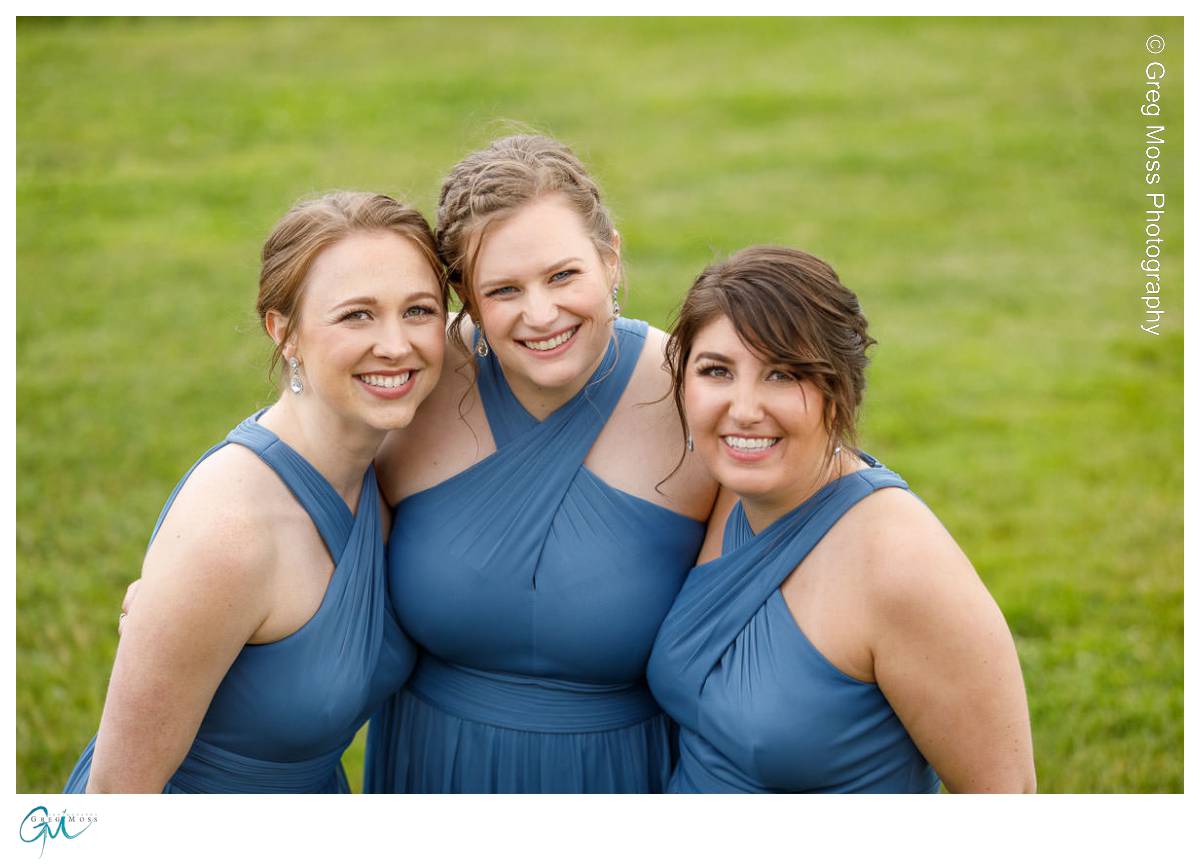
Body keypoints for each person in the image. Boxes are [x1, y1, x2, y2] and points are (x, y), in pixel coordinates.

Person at [363, 135, 718, 793]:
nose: (541, 313)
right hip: (433, 773)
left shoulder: (699, 395)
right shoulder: (409, 391)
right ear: (464, 295)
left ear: (610, 257)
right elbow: (302, 507)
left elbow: (812, 533)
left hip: (621, 782)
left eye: (563, 275)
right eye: (503, 289)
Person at [65, 192, 447, 793]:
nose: (397, 344)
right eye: (356, 315)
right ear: (285, 332)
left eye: (420, 311)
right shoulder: (233, 534)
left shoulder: (387, 466)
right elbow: (113, 800)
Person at [646, 246, 1036, 793]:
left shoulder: (901, 568)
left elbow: (1004, 798)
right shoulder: (728, 495)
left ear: (839, 389)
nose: (744, 407)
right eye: (717, 371)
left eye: (783, 374)